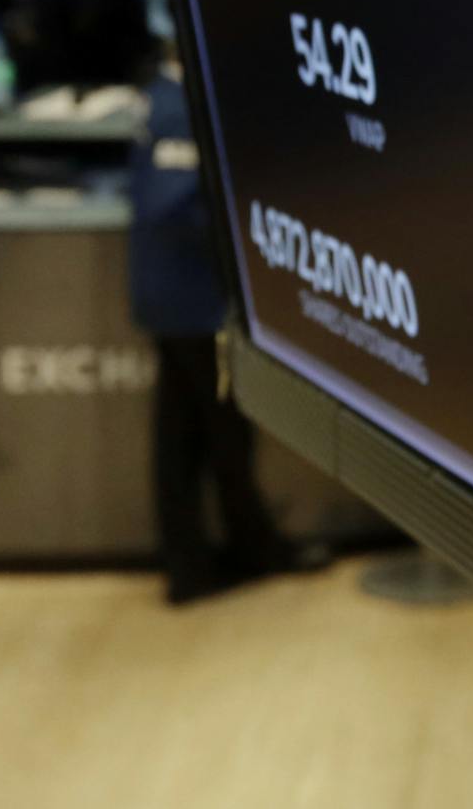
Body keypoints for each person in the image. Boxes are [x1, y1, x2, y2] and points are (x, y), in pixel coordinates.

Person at [127, 56, 321, 605]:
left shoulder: (160, 95)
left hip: (172, 298)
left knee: (180, 434)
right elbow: (170, 206)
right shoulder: (177, 108)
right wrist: (243, 231)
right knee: (225, 434)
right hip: (193, 303)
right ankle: (251, 551)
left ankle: (191, 567)